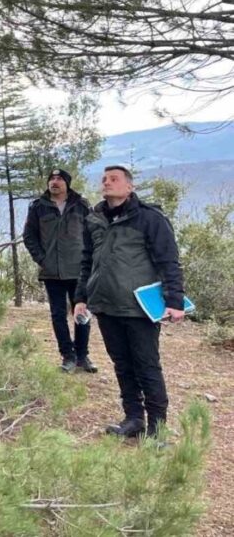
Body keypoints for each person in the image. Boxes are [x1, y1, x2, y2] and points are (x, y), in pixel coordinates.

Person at [75, 165, 185, 439]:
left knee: (147, 367)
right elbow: (87, 261)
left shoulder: (150, 218)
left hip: (138, 308)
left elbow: (168, 261)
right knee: (122, 365)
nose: (107, 182)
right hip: (106, 306)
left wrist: (175, 300)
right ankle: (134, 419)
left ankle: (157, 430)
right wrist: (81, 297)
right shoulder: (94, 219)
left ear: (129, 186)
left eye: (114, 179)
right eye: (104, 179)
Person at [23, 168, 96, 374]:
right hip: (52, 270)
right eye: (52, 179)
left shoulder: (81, 205)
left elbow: (93, 233)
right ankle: (68, 356)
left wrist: (90, 261)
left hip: (79, 269)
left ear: (67, 183)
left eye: (59, 179)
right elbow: (29, 236)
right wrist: (42, 259)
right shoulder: (38, 207)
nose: (54, 182)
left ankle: (82, 355)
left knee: (82, 312)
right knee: (58, 314)